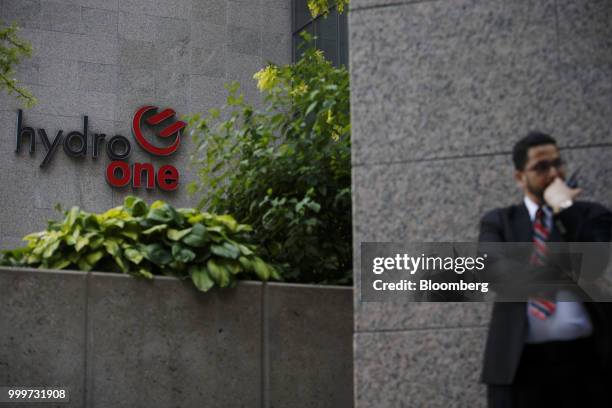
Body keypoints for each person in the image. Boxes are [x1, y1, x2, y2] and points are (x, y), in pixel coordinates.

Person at [479, 131, 612, 407]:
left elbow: (599, 266)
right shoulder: (500, 222)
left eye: (558, 163)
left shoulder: (589, 215)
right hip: (522, 364)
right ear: (520, 177)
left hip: (587, 362)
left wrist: (564, 208)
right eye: (541, 167)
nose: (554, 173)